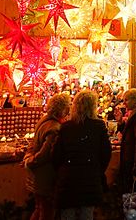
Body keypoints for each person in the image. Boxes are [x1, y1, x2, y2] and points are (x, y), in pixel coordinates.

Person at [53, 90, 112, 220]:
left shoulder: (66, 127)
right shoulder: (98, 126)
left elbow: (57, 155)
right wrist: (97, 169)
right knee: (87, 214)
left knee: (68, 214)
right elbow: (106, 153)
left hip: (68, 179)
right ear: (93, 107)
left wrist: (62, 170)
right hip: (90, 178)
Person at [24, 93, 71, 220]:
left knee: (39, 208)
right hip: (46, 176)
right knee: (46, 212)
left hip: (38, 175)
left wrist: (28, 158)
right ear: (64, 109)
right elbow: (46, 154)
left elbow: (34, 144)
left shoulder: (44, 121)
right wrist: (31, 161)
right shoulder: (55, 128)